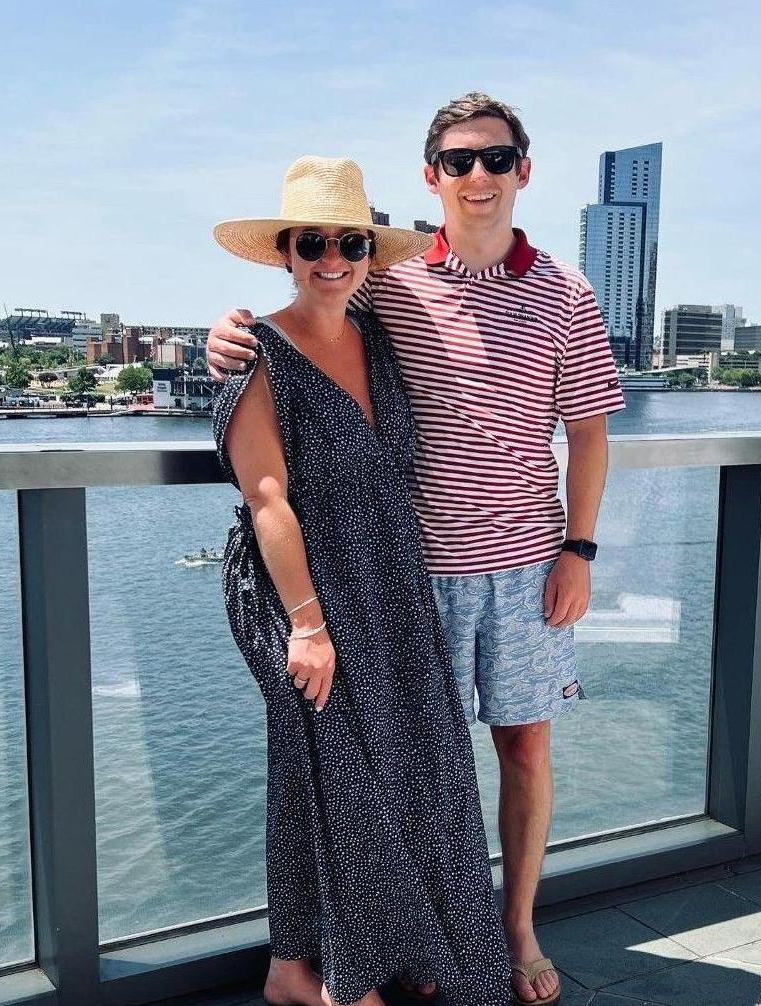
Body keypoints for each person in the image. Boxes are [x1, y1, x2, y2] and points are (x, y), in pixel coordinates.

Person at [207, 94, 625, 1006]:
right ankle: (407, 949)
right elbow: (291, 343)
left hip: (523, 563)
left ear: (523, 169)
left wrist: (578, 550)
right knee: (401, 769)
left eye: (496, 158)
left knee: (520, 750)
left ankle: (510, 931)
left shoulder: (567, 290)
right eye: (459, 161)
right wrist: (224, 337)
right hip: (404, 573)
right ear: (430, 177)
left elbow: (588, 434)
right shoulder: (388, 286)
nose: (479, 176)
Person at [211, 155, 511, 1006]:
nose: (332, 258)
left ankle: (362, 959)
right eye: (314, 243)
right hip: (297, 592)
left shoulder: (376, 334)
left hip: (389, 581)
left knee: (426, 767)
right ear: (286, 252)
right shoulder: (254, 354)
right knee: (333, 771)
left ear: (369, 254)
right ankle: (319, 972)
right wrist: (307, 625)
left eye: (349, 242)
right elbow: (267, 497)